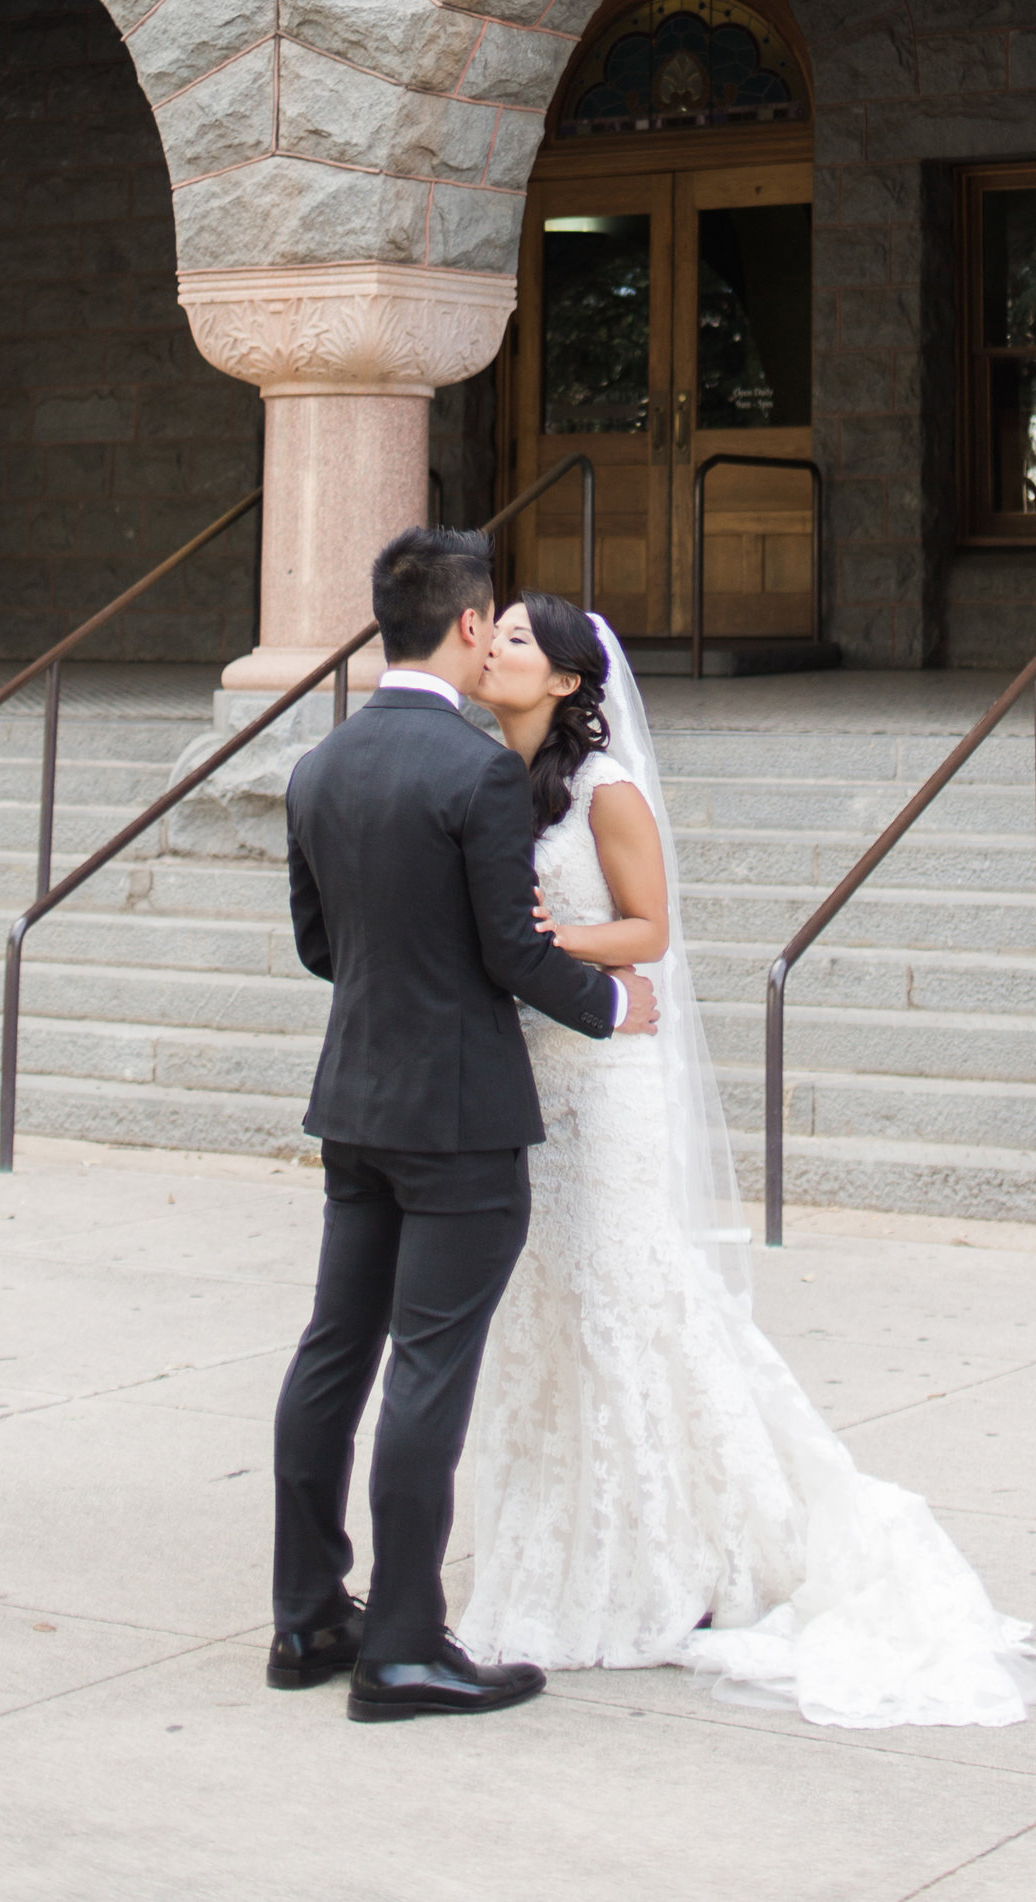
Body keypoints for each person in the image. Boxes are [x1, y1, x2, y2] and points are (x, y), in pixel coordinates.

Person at [458, 593, 1036, 1730]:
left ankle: (674, 1551)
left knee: (625, 1301)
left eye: (521, 641)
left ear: (573, 682)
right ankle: (558, 1533)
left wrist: (543, 943)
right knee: (542, 1310)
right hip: (524, 1081)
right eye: (496, 634)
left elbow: (650, 932)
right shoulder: (490, 776)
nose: (493, 647)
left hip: (605, 1087)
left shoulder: (606, 791)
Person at [269, 527, 660, 1725]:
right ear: (470, 624)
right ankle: (400, 1646)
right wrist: (611, 1001)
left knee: (335, 1349)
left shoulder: (319, 763)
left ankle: (305, 1615)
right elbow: (512, 952)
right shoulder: (476, 770)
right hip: (458, 1116)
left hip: (355, 1100)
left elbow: (319, 947)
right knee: (430, 1368)